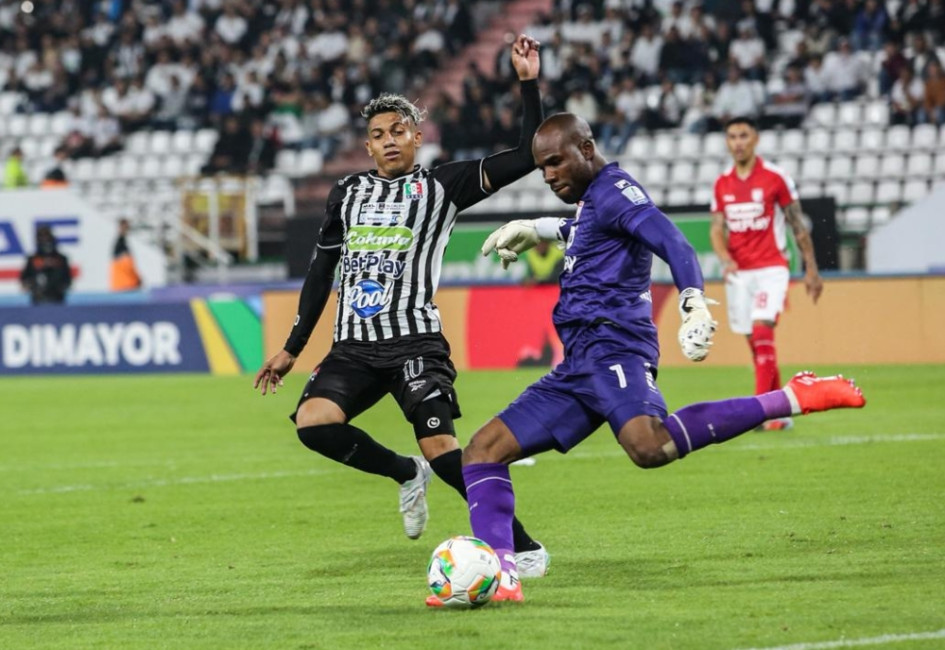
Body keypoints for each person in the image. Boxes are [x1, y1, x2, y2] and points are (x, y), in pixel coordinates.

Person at [450, 113, 865, 604]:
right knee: (482, 452)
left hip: (615, 348)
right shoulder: (593, 201)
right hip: (579, 362)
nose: (548, 175)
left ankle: (791, 397)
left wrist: (692, 299)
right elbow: (590, 228)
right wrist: (537, 227)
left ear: (586, 148)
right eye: (542, 168)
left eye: (555, 162)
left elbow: (674, 241)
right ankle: (503, 579)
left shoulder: (617, 189)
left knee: (649, 446)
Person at [253, 35, 549, 576]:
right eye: (377, 135)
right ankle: (404, 473)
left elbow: (529, 154)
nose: (388, 141)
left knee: (443, 446)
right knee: (313, 425)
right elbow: (321, 272)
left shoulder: (444, 185)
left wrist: (528, 84)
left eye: (397, 132)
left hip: (414, 341)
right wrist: (292, 348)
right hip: (353, 348)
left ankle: (524, 545)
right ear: (367, 147)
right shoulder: (346, 193)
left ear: (417, 136)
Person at [710, 117, 823, 431]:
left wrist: (811, 269)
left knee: (762, 332)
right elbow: (717, 228)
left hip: (772, 267)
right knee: (758, 344)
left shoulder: (776, 177)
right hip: (739, 274)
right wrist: (724, 257)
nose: (738, 142)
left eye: (744, 135)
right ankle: (780, 410)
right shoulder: (722, 183)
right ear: (727, 142)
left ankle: (758, 413)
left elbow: (798, 227)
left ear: (755, 138)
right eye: (732, 136)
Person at [20, 226, 72, 305]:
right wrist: (30, 285)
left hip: (57, 299)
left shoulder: (61, 259)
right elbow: (24, 279)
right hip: (38, 299)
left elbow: (67, 279)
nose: (45, 241)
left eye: (47, 238)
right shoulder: (32, 260)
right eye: (42, 238)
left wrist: (60, 286)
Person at [110, 218, 142, 291]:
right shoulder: (120, 245)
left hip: (124, 286)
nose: (127, 229)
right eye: (125, 227)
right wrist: (137, 279)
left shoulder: (122, 244)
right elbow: (127, 266)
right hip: (124, 287)